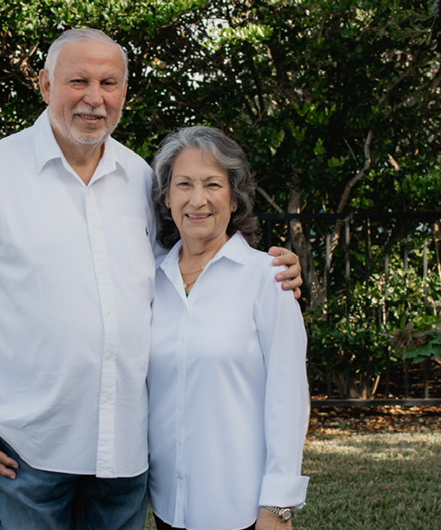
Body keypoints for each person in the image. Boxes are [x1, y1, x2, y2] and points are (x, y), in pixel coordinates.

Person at [0, 28, 302, 530]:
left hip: (123, 452)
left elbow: (193, 262)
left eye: (109, 82)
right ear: (45, 84)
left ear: (124, 92)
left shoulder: (140, 177)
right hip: (29, 445)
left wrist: (271, 268)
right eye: (78, 81)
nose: (94, 98)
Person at [147, 126, 310, 530]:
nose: (197, 199)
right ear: (167, 198)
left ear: (234, 198)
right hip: (166, 504)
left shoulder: (267, 278)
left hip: (239, 508)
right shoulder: (150, 281)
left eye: (212, 184)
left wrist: (277, 505)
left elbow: (288, 397)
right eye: (183, 184)